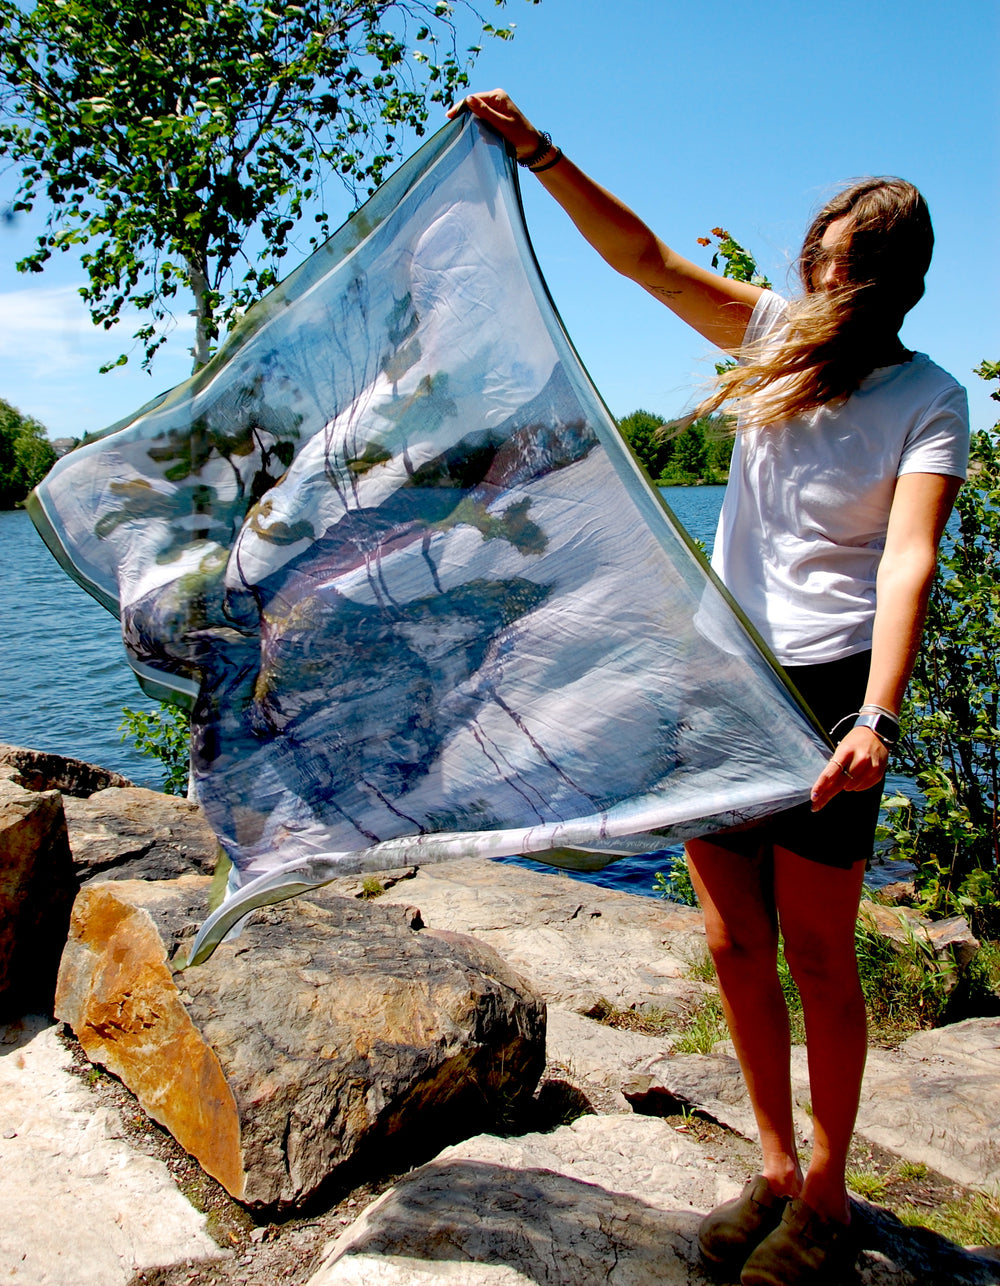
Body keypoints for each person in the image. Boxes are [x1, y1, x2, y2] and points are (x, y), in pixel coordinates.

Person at [449, 90, 969, 1285]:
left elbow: (907, 557)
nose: (811, 273)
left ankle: (831, 1197)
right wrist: (541, 154)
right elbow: (644, 261)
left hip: (827, 690)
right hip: (716, 667)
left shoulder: (929, 397)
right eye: (809, 255)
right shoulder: (774, 336)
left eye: (832, 260)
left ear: (886, 278)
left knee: (819, 953)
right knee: (736, 941)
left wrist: (877, 714)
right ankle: (778, 1167)